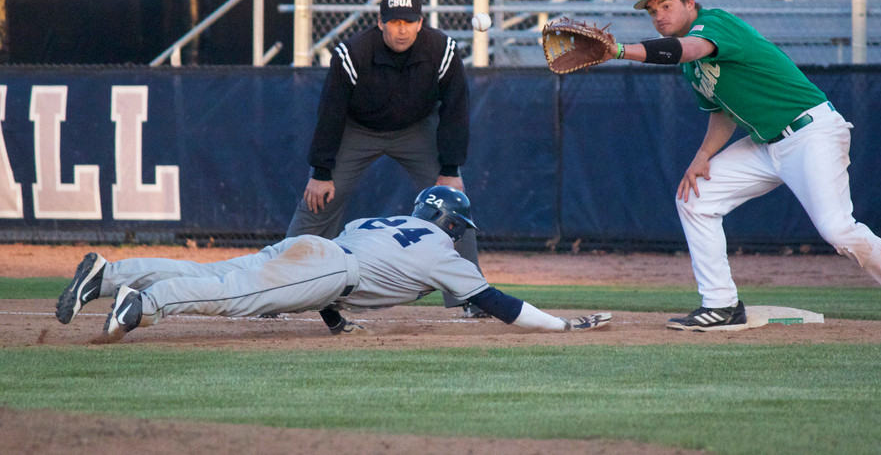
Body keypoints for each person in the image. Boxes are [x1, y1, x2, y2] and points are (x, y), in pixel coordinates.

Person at [602, 0, 881, 334]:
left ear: (690, 4)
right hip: (766, 142)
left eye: (666, 5)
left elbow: (686, 49)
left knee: (838, 230)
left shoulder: (715, 23)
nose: (659, 14)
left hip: (809, 132)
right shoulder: (692, 69)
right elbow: (722, 112)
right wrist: (702, 156)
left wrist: (619, 50)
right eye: (651, 10)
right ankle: (721, 305)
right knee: (696, 198)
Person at [54, 186, 612, 341]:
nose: (457, 235)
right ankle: (143, 305)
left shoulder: (382, 221)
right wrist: (560, 323)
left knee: (216, 272)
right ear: (447, 220)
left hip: (315, 250)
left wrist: (338, 321)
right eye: (456, 226)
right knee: (232, 295)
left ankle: (111, 274)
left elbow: (331, 286)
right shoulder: (441, 251)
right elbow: (497, 304)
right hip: (329, 267)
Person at [287, 0, 487, 318]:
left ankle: (471, 296)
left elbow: (455, 110)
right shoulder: (353, 53)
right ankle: (278, 284)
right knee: (318, 202)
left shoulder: (442, 50)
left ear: (421, 23)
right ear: (380, 23)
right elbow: (331, 112)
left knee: (452, 205)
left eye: (409, 22)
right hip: (358, 130)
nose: (401, 29)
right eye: (393, 22)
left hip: (416, 130)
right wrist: (321, 172)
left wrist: (450, 169)